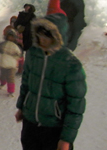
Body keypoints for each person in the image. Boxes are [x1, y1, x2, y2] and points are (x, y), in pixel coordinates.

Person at [15, 17, 87, 150]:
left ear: (57, 37)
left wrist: (66, 139)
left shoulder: (71, 65)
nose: (42, 40)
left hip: (54, 128)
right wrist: (21, 106)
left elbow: (76, 106)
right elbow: (26, 83)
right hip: (30, 123)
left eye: (47, 37)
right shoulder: (33, 54)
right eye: (40, 35)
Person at [0, 28, 23, 97]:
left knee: (10, 77)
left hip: (11, 65)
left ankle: (11, 91)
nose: (10, 38)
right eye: (9, 36)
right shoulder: (3, 44)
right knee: (2, 75)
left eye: (12, 36)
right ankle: (3, 82)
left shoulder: (15, 46)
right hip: (3, 63)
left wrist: (17, 57)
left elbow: (19, 54)